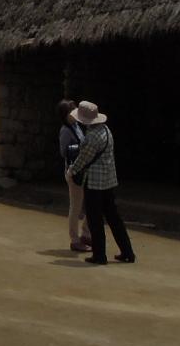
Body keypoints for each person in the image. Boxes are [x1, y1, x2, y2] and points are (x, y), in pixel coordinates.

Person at [67, 100, 135, 265]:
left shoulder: (91, 137)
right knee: (114, 217)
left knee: (95, 219)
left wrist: (71, 171)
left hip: (94, 183)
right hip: (108, 180)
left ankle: (99, 255)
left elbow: (83, 159)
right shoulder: (106, 130)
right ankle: (127, 251)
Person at [57, 98, 92, 253]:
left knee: (89, 203)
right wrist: (81, 148)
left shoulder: (76, 126)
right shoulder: (66, 130)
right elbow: (64, 151)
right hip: (74, 171)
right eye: (72, 111)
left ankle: (86, 234)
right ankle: (75, 239)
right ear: (65, 115)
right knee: (76, 207)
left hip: (83, 170)